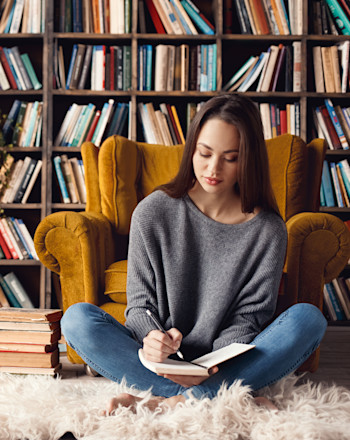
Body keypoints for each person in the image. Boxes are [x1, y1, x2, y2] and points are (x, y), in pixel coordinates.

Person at [61, 94, 327, 413]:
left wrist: (213, 366)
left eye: (230, 157)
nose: (213, 168)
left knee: (308, 319)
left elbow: (249, 317)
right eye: (204, 153)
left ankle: (167, 402)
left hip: (226, 361)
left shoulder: (268, 229)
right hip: (158, 362)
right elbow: (140, 303)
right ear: (192, 150)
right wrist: (152, 338)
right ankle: (225, 396)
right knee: (77, 319)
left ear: (249, 160)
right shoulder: (153, 211)